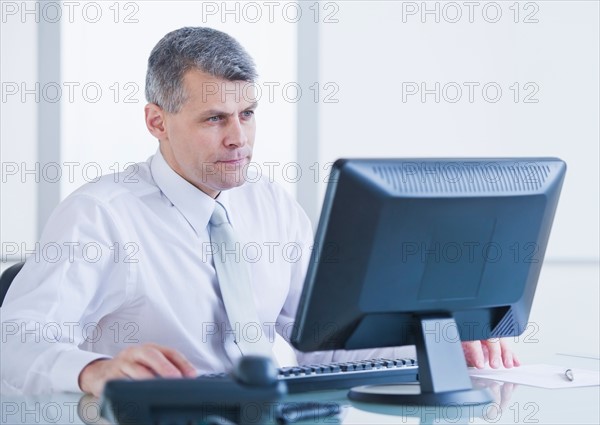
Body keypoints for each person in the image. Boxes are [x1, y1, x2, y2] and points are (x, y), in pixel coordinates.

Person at [0, 27, 519, 397]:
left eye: (247, 114)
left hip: (287, 413)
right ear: (156, 122)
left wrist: (437, 347)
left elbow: (321, 346)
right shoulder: (99, 215)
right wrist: (94, 369)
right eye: (214, 119)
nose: (239, 138)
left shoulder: (271, 204)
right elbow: (15, 341)